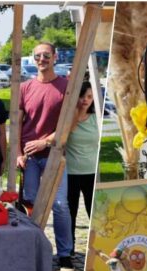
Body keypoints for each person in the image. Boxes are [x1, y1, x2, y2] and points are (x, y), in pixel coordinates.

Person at [17, 42, 75, 271]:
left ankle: (64, 255)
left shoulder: (65, 86)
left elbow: (69, 122)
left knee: (60, 205)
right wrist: (18, 154)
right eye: (38, 56)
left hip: (55, 154)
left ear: (55, 57)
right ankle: (34, 250)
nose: (42, 59)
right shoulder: (25, 87)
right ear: (34, 59)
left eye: (46, 55)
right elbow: (17, 122)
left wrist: (47, 141)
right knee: (30, 203)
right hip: (29, 157)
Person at [65, 81, 99, 250]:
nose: (86, 100)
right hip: (70, 172)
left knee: (93, 212)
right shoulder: (68, 118)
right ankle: (69, 248)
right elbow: (62, 138)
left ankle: (97, 246)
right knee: (70, 212)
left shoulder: (96, 118)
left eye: (89, 97)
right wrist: (75, 116)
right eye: (82, 96)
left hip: (91, 172)